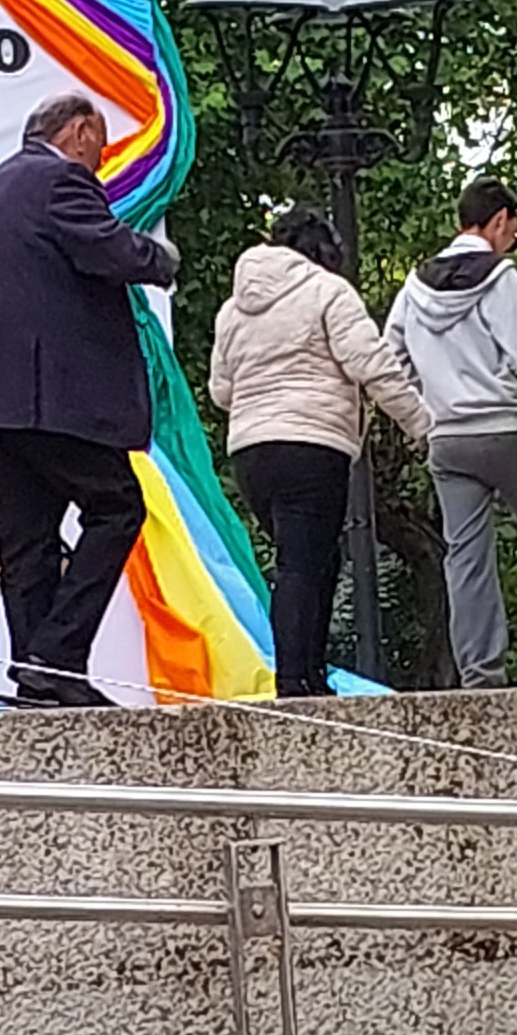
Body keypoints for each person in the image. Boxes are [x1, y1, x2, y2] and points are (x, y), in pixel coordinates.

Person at [0, 93, 179, 708]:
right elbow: (107, 248)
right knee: (117, 507)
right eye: (99, 143)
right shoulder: (58, 181)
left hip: (1, 402)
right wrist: (159, 259)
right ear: (78, 130)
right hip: (58, 397)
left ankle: (39, 678)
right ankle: (56, 657)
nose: (100, 159)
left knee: (28, 543)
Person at [209, 207, 431, 696]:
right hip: (311, 444)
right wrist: (419, 424)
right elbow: (373, 365)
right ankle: (293, 681)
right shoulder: (328, 291)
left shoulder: (232, 311)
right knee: (302, 564)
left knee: (315, 560)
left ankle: (311, 674)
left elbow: (221, 391)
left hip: (251, 453)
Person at [387, 177, 517, 687]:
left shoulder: (414, 286)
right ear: (498, 221)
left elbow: (391, 356)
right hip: (503, 427)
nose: (512, 241)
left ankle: (480, 674)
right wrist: (505, 383)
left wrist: (426, 404)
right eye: (512, 231)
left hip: (448, 439)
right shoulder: (500, 276)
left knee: (466, 556)